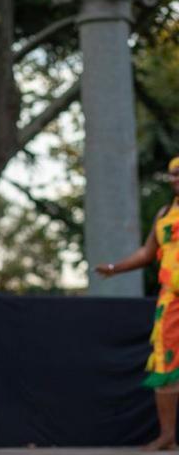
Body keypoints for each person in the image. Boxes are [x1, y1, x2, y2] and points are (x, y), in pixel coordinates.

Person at [96, 156, 179, 451]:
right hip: (171, 301)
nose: (174, 179)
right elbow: (147, 253)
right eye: (172, 175)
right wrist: (114, 268)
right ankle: (168, 435)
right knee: (165, 362)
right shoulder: (164, 213)